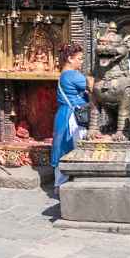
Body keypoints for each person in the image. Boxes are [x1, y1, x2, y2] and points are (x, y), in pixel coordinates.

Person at [51, 43, 91, 191]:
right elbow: (93, 85)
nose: (81, 62)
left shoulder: (63, 74)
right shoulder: (73, 75)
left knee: (63, 149)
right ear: (69, 58)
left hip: (63, 114)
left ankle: (59, 184)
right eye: (79, 58)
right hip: (73, 117)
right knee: (78, 149)